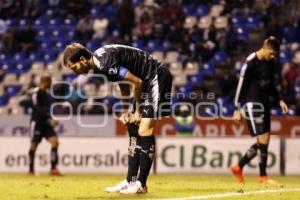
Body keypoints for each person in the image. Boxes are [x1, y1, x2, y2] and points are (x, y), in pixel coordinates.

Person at [62, 43, 173, 194]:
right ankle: (131, 181)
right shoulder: (100, 63)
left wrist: (138, 111)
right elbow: (124, 83)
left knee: (145, 128)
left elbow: (137, 82)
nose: (75, 72)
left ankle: (141, 184)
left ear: (82, 59)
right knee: (133, 127)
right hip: (145, 80)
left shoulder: (104, 63)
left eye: (74, 67)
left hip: (156, 77)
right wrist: (127, 110)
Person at [231, 36, 289, 184]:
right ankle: (263, 177)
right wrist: (237, 108)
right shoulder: (250, 62)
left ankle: (239, 166)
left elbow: (271, 84)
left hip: (264, 102)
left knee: (264, 140)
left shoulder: (270, 62)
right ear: (265, 48)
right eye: (272, 53)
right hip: (252, 102)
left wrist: (279, 99)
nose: (273, 57)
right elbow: (241, 85)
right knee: (263, 138)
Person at [28, 75, 61, 176]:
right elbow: (37, 108)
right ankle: (31, 170)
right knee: (34, 146)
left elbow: (45, 109)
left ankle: (53, 168)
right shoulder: (36, 92)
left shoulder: (46, 94)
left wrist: (49, 118)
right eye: (49, 82)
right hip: (37, 122)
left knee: (55, 143)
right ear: (45, 81)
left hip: (46, 122)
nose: (50, 84)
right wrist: (50, 118)